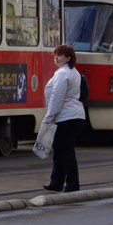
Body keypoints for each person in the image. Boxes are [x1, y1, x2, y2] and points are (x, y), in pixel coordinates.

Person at [42, 44, 86, 193]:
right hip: (73, 116)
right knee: (61, 151)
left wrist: (49, 117)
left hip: (66, 117)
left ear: (68, 58)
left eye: (59, 55)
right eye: (55, 54)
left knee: (65, 152)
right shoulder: (73, 72)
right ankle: (57, 182)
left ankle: (72, 185)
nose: (56, 57)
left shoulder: (62, 74)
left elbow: (57, 97)